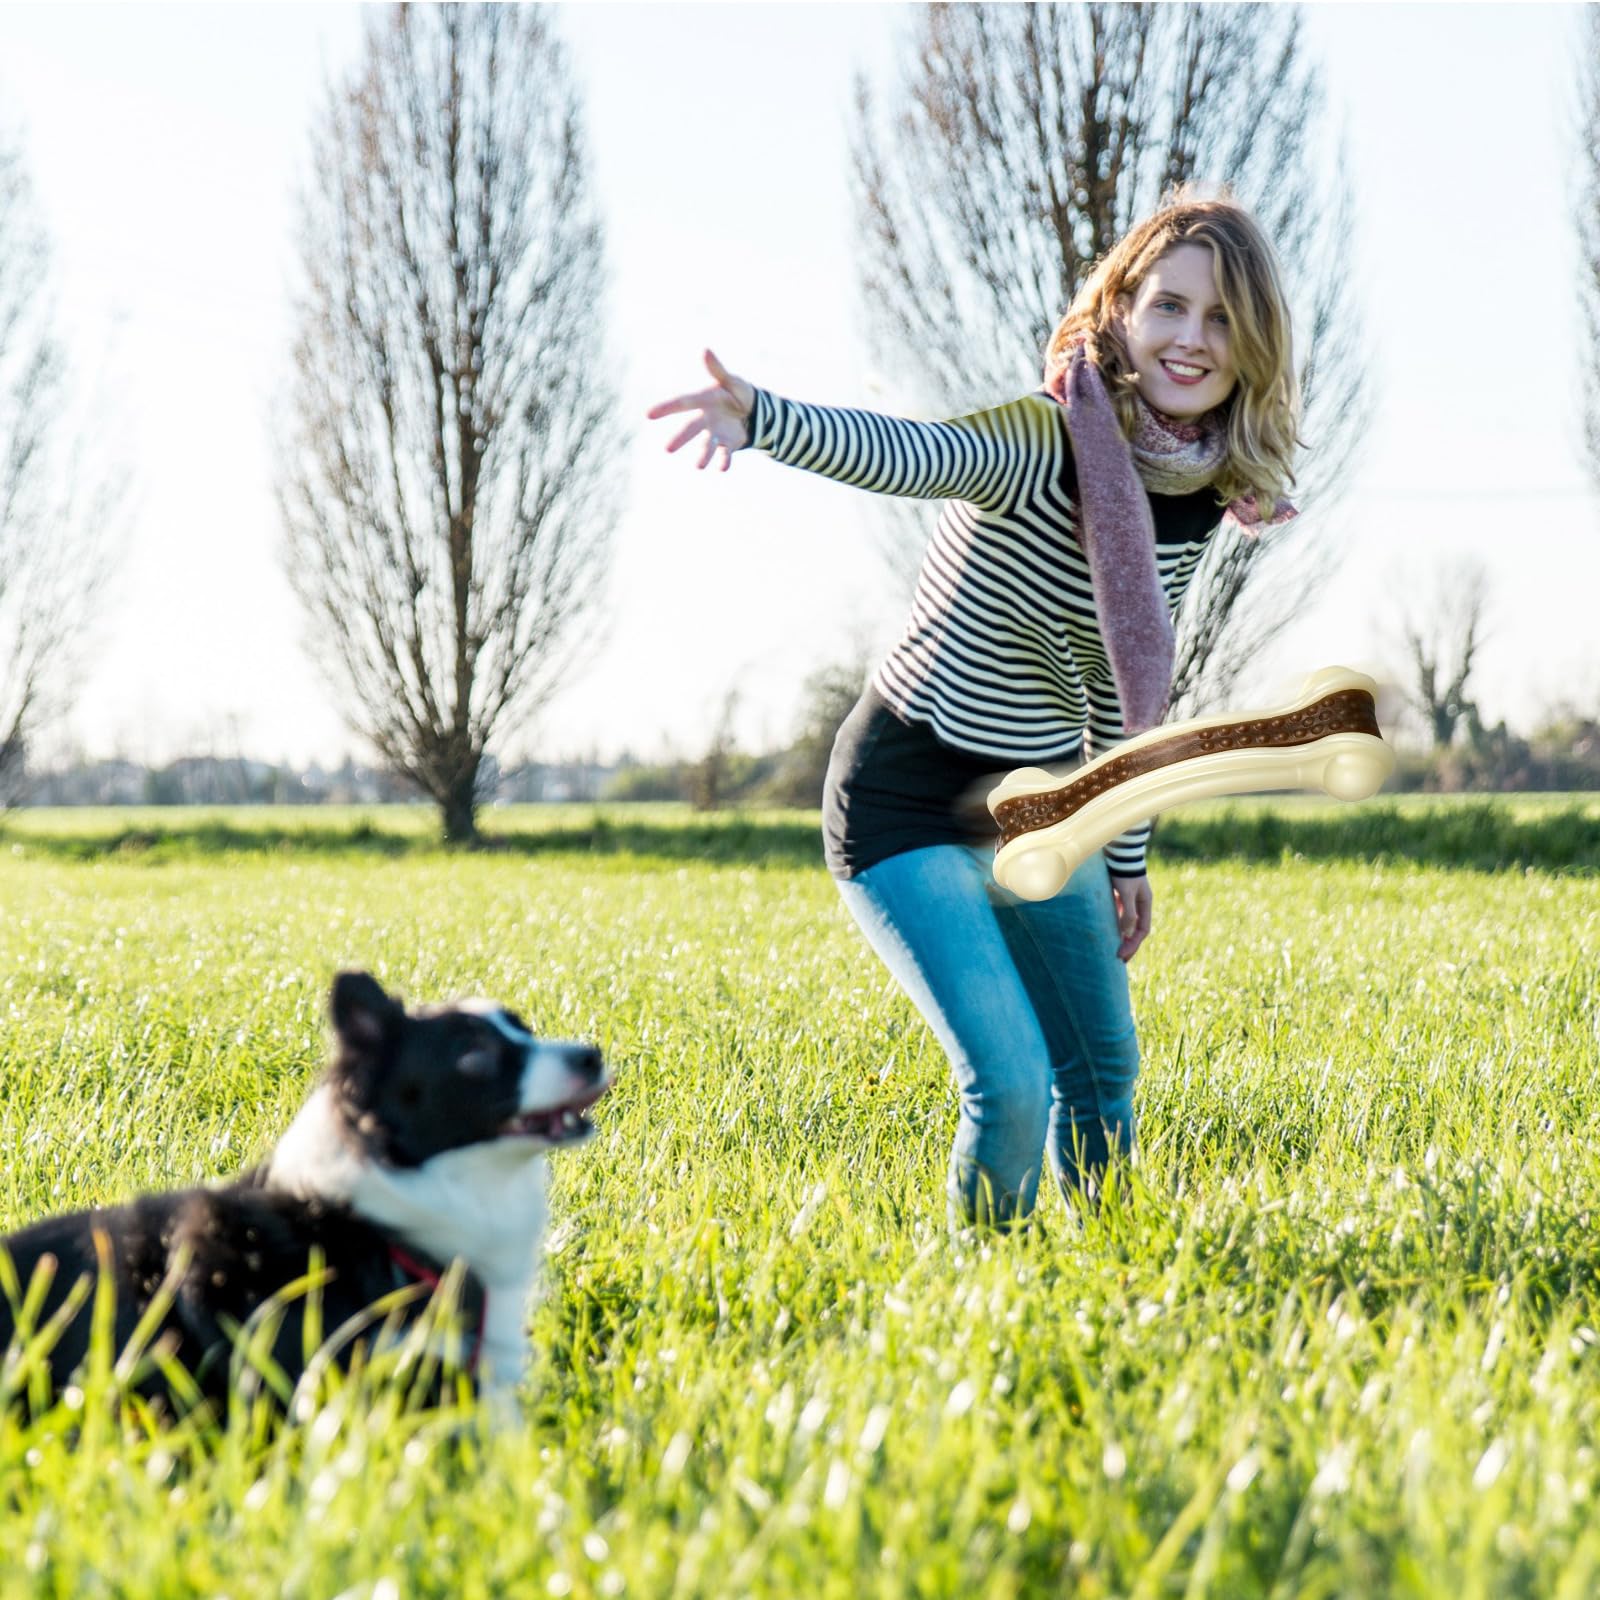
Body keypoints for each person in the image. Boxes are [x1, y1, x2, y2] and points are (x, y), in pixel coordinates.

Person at [646, 193, 1301, 1227]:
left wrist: (1125, 860)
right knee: (1011, 1083)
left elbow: (1119, 685)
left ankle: (1114, 1275)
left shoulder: (1201, 488)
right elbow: (916, 452)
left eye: (1221, 318)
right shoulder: (1044, 438)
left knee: (1103, 1071)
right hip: (904, 798)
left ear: (1253, 338)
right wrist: (763, 418)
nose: (1191, 338)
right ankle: (984, 1291)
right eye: (1170, 306)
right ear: (1121, 309)